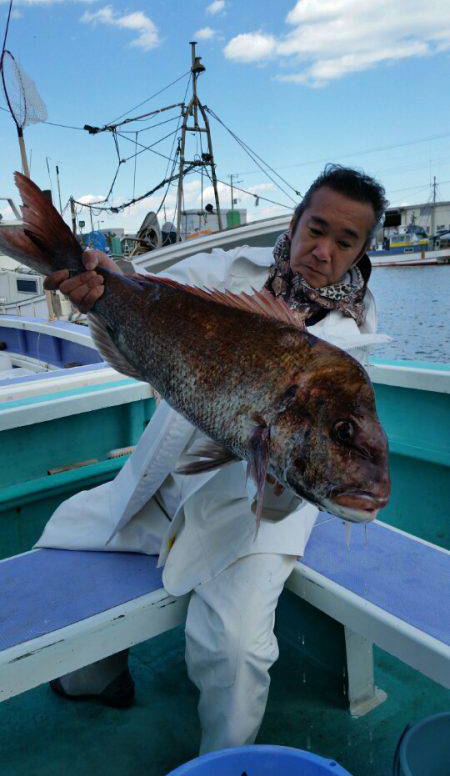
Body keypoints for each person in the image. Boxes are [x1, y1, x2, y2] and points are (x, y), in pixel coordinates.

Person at [36, 165, 388, 754]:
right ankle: (92, 679)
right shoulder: (231, 273)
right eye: (315, 229)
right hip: (169, 473)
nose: (323, 252)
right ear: (297, 220)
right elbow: (146, 290)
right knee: (64, 537)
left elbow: (314, 449)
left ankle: (223, 764)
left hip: (258, 507)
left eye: (344, 241)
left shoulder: (352, 339)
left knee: (234, 647)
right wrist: (101, 285)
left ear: (360, 251)